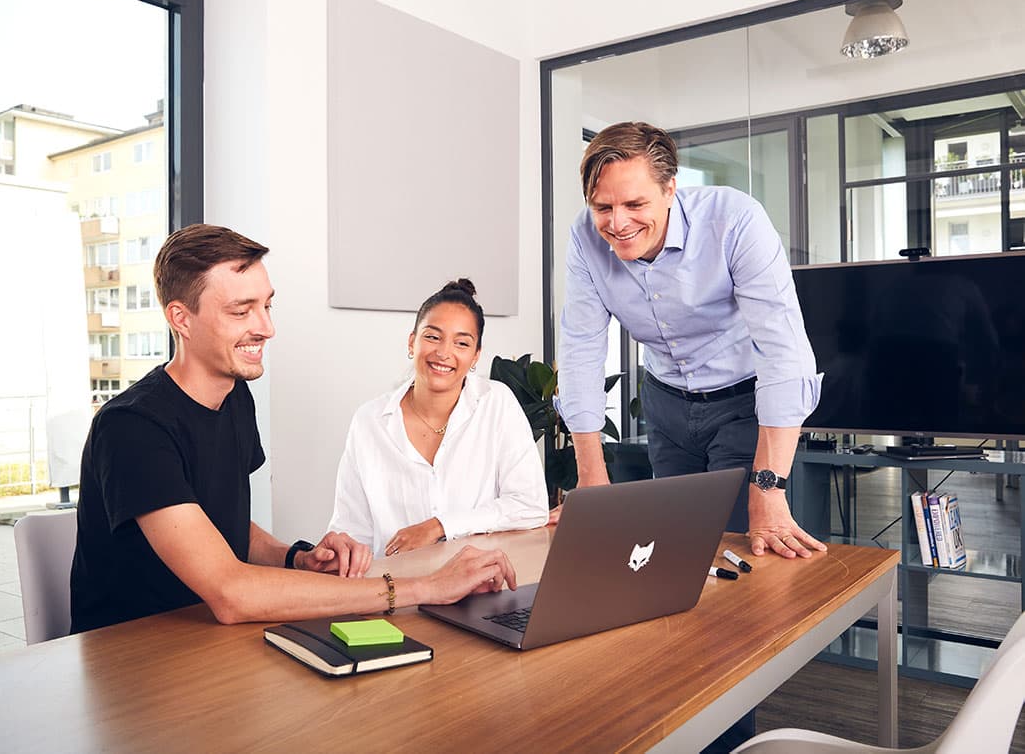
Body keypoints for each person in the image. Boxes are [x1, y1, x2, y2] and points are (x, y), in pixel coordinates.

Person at [70, 225, 517, 634]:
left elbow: (219, 526)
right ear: (181, 319)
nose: (266, 327)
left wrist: (297, 558)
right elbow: (231, 592)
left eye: (267, 305)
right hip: (134, 657)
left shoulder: (233, 397)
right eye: (242, 310)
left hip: (209, 636)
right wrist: (424, 587)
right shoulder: (132, 429)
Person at [556, 121, 827, 562]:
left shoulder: (734, 220)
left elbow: (783, 350)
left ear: (670, 190)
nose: (617, 222)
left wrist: (769, 486)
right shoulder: (585, 237)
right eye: (602, 206)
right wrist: (591, 476)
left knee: (744, 547)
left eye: (634, 203)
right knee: (675, 552)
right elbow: (581, 346)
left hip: (742, 405)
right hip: (666, 406)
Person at [328, 279, 549, 557]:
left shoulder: (496, 403)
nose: (444, 353)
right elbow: (351, 528)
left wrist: (440, 526)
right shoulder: (369, 421)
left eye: (461, 343)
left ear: (476, 355)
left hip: (480, 586)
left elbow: (530, 505)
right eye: (432, 337)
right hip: (396, 588)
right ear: (412, 342)